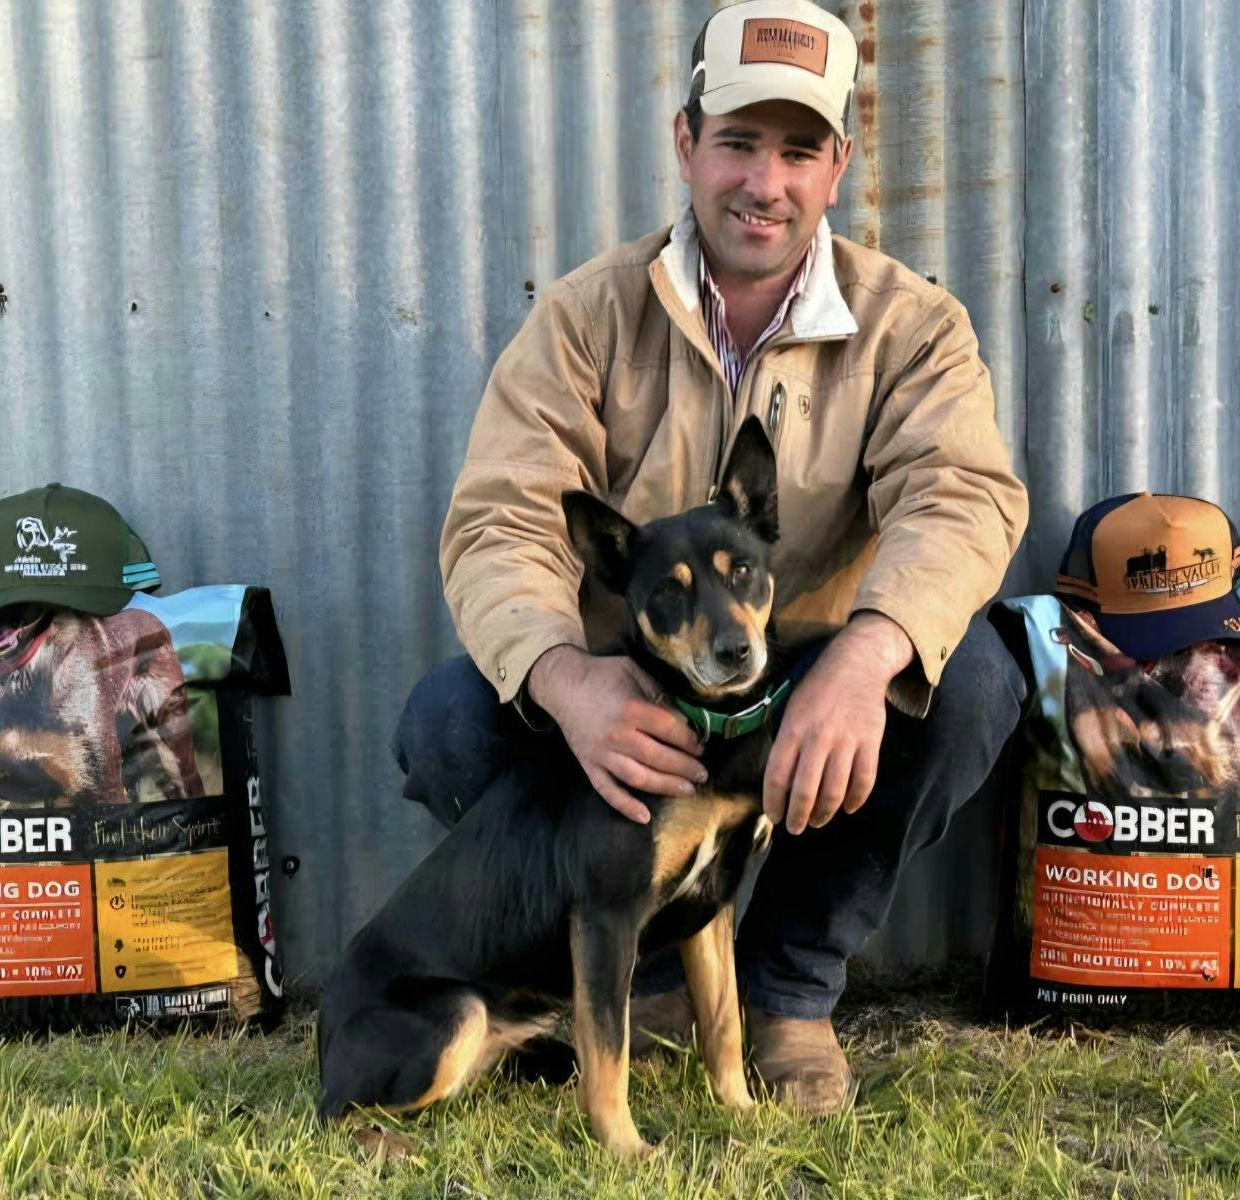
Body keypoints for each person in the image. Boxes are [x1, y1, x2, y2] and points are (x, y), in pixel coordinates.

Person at [400, 0, 1030, 1115]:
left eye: (797, 150)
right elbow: (502, 519)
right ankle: (644, 983)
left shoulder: (911, 326)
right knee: (452, 722)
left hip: (811, 679)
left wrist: (866, 656)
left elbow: (961, 496)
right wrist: (567, 680)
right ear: (686, 143)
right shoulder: (587, 317)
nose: (763, 182)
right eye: (738, 141)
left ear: (838, 165)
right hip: (637, 690)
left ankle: (786, 991)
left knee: (969, 682)